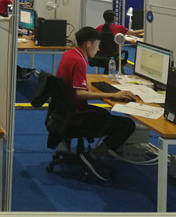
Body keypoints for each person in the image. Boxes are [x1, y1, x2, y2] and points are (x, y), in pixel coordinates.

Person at [56, 27, 137, 181]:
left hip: (65, 112)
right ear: (88, 44)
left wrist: (89, 87)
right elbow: (79, 94)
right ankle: (92, 156)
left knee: (104, 114)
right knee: (127, 125)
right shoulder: (79, 61)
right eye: (97, 45)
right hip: (76, 116)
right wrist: (113, 94)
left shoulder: (69, 54)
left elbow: (77, 84)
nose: (99, 49)